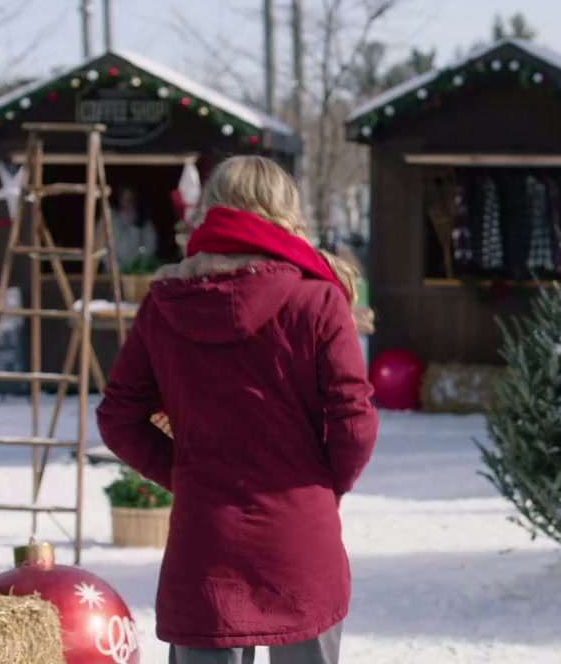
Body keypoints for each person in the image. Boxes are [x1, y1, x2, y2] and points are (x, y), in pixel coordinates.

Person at [97, 156, 379, 664]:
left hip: (206, 539)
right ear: (287, 212)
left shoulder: (167, 302)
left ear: (212, 209)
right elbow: (354, 424)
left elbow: (119, 418)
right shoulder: (318, 300)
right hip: (299, 534)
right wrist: (321, 485)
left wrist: (186, 472)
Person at [111, 185, 158, 270]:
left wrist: (140, 264)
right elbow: (100, 247)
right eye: (124, 198)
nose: (127, 202)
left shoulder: (143, 218)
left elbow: (151, 244)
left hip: (137, 269)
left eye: (130, 199)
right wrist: (114, 266)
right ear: (118, 199)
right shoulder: (109, 218)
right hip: (113, 269)